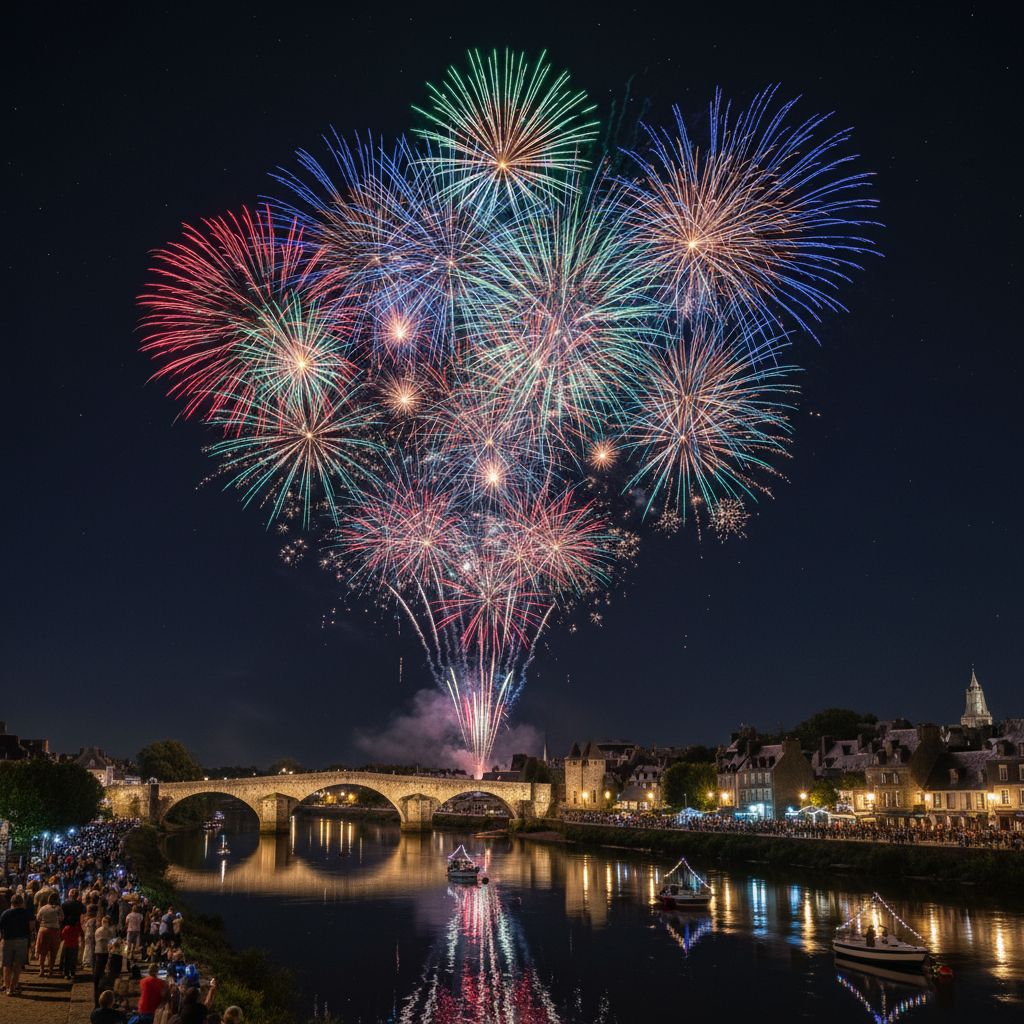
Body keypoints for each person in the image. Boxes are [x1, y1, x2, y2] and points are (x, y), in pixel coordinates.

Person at [0, 893, 31, 996]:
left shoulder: (5, 913)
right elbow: (31, 926)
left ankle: (7, 987)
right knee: (17, 964)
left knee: (6, 964)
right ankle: (13, 986)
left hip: (7, 940)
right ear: (22, 903)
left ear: (11, 902)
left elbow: (1, 928)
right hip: (22, 940)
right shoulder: (26, 913)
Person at [35, 892, 63, 976]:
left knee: (42, 952)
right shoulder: (58, 909)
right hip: (55, 930)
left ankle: (41, 970)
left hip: (44, 930)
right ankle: (50, 970)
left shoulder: (43, 908)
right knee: (53, 952)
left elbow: (38, 918)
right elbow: (61, 918)